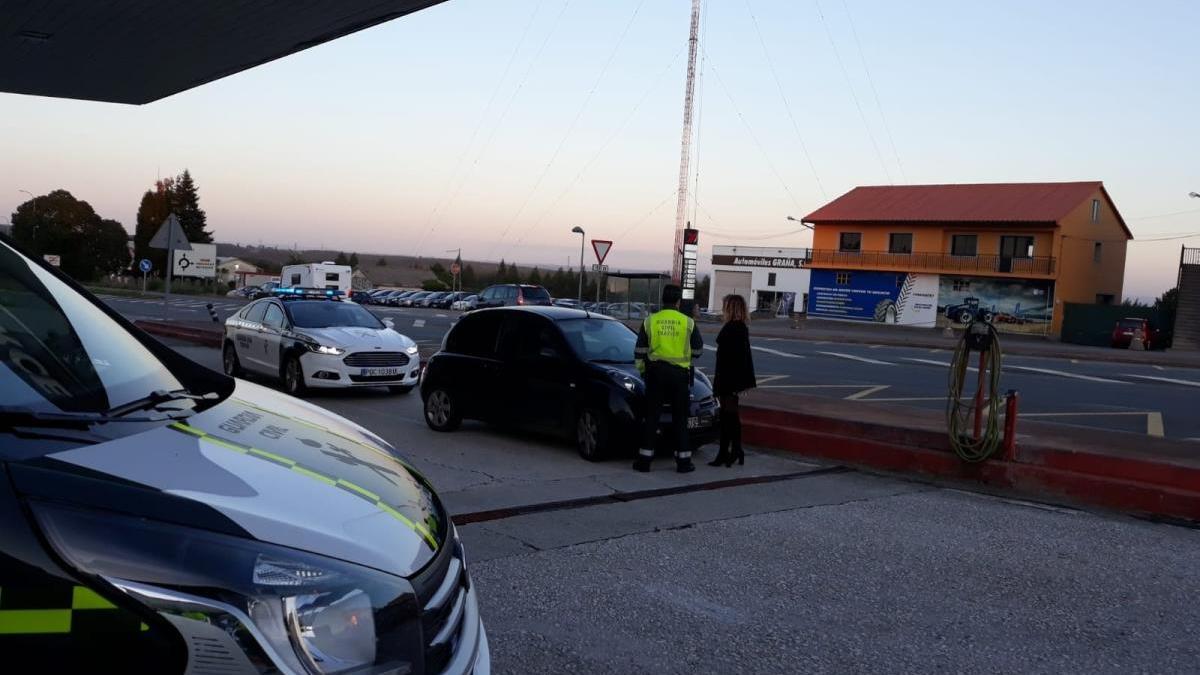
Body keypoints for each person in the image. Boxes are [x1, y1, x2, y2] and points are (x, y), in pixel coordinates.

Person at [634, 284, 704, 473]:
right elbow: (698, 350)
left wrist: (643, 371)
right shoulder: (687, 322)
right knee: (680, 418)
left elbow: (640, 351)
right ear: (678, 302)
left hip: (655, 374)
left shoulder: (650, 321)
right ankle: (683, 462)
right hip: (679, 376)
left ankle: (644, 461)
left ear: (663, 301)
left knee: (652, 417)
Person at [709, 294, 755, 467]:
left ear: (731, 308)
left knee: (729, 416)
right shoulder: (740, 327)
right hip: (732, 378)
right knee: (729, 415)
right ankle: (732, 450)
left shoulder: (733, 328)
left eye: (725, 306)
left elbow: (732, 358)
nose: (723, 309)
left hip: (728, 378)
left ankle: (730, 451)